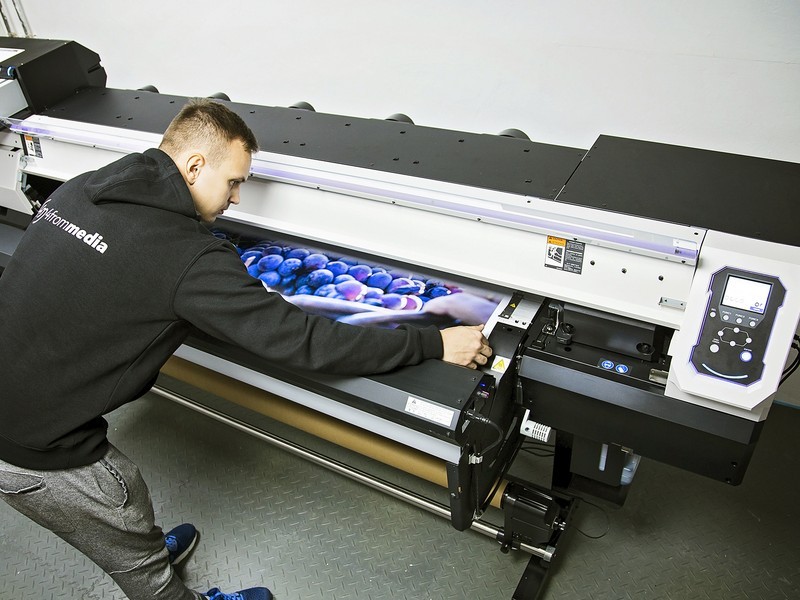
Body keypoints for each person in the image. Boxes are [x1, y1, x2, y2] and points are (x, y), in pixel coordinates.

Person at [0, 98, 492, 600]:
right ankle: (149, 566)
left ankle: (141, 546)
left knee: (127, 516)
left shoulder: (83, 186)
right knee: (120, 505)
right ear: (194, 166)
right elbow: (303, 341)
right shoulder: (186, 256)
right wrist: (431, 341)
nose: (236, 199)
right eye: (234, 182)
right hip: (31, 448)